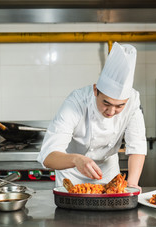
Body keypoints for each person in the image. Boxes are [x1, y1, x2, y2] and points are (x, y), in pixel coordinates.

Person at [37, 42, 147, 190]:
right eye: (106, 103)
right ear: (96, 90)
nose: (111, 111)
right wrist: (77, 159)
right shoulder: (76, 102)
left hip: (108, 174)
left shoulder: (133, 100)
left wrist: (132, 185)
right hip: (71, 174)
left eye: (120, 106)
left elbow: (137, 146)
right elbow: (48, 157)